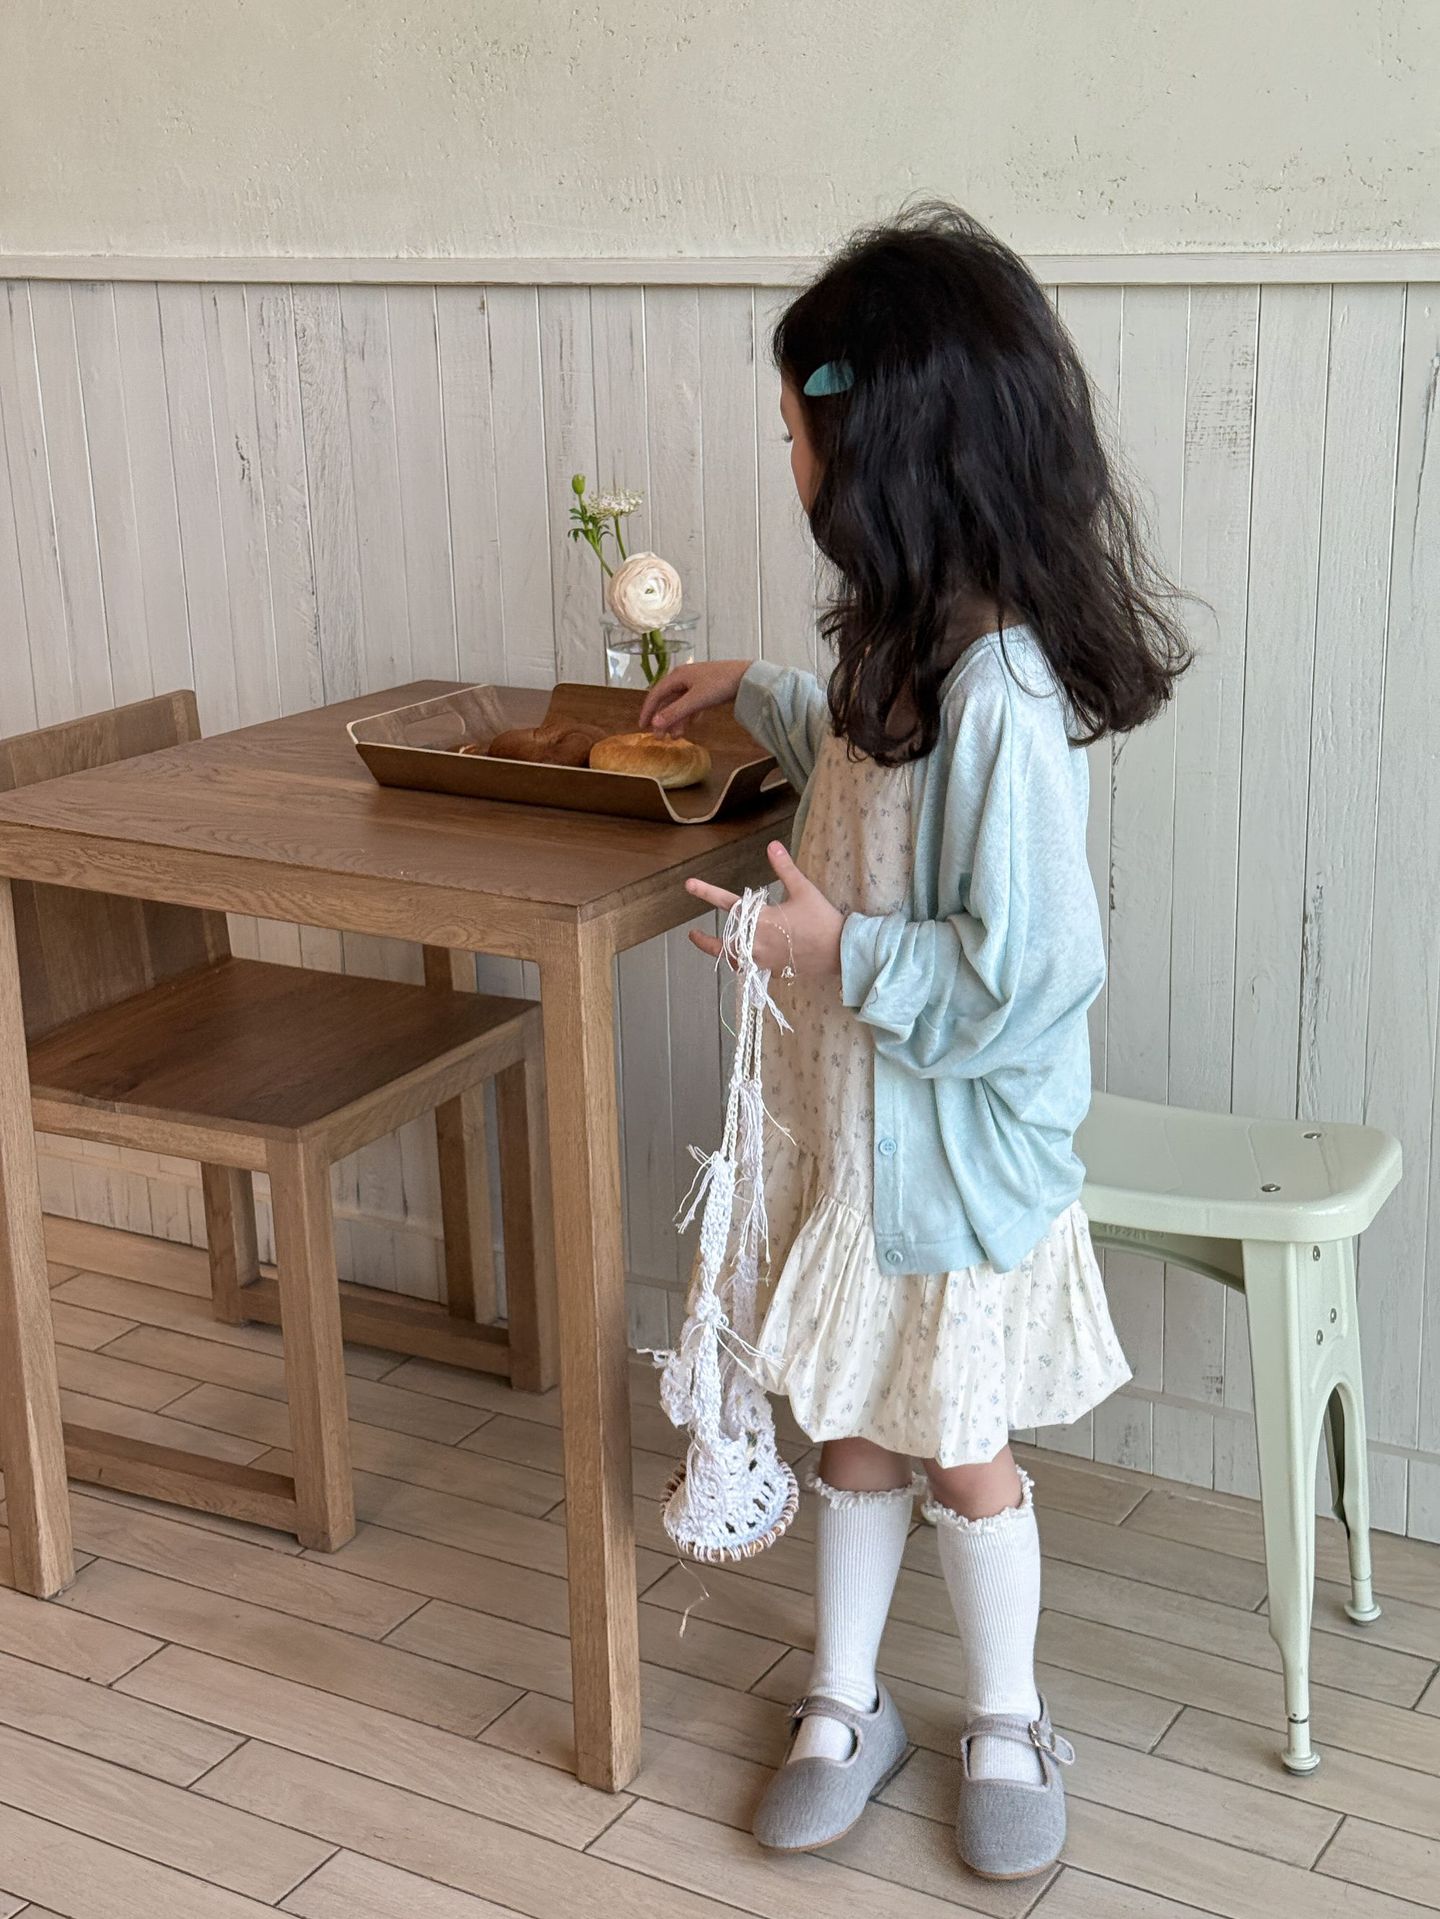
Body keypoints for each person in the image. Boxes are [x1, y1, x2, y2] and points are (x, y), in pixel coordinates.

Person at [639, 203, 1190, 1881]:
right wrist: (754, 689)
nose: (786, 453)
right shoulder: (902, 645)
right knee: (853, 1427)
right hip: (862, 1144)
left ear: (882, 447)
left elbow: (1031, 977)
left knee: (961, 1448)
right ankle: (848, 1698)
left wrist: (834, 949)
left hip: (946, 1169)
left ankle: (1009, 1715)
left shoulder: (1002, 693)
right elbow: (852, 781)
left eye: (796, 427)